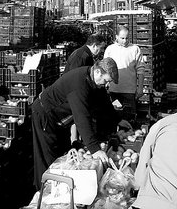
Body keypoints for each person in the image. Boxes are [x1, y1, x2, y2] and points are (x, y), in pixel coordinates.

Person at [31, 57, 119, 190]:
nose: (107, 84)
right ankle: (44, 193)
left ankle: (62, 190)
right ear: (98, 72)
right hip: (45, 115)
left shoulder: (94, 81)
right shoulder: (79, 84)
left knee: (63, 157)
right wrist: (94, 149)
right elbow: (81, 117)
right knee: (48, 158)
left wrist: (117, 120)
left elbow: (104, 103)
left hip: (61, 120)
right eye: (106, 80)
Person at [104, 26, 145, 115]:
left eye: (127, 38)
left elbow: (141, 70)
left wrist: (140, 88)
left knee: (130, 116)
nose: (125, 40)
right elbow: (105, 69)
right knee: (115, 116)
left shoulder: (135, 49)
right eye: (122, 38)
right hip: (113, 91)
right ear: (116, 37)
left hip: (129, 91)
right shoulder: (110, 49)